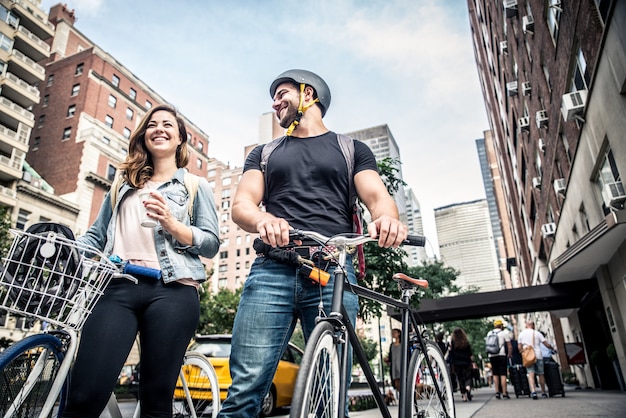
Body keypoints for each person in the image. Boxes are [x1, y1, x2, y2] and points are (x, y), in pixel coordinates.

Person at [219, 69, 408, 417]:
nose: (275, 102)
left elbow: (377, 196)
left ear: (309, 93)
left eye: (282, 92)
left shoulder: (351, 149)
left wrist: (387, 218)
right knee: (245, 389)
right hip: (271, 271)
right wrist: (263, 220)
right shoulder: (265, 152)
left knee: (329, 393)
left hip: (332, 271)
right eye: (273, 97)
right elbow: (242, 204)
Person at [60, 104, 220, 417]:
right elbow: (95, 236)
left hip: (172, 291)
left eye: (167, 125)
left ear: (179, 139)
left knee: (155, 401)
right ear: (144, 136)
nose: (159, 128)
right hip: (117, 286)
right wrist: (69, 251)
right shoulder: (123, 183)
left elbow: (211, 244)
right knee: (83, 396)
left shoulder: (195, 186)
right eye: (152, 124)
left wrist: (173, 226)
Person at [518, 320, 556, 400]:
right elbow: (546, 344)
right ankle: (543, 392)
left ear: (526, 325)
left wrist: (522, 352)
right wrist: (552, 348)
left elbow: (519, 347)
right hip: (538, 355)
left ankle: (533, 391)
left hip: (528, 357)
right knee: (541, 374)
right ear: (533, 325)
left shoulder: (521, 334)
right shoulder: (537, 333)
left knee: (530, 374)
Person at [487, 319, 513, 399]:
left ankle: (497, 392)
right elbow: (509, 345)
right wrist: (509, 354)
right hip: (501, 355)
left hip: (492, 355)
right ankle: (504, 392)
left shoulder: (489, 333)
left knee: (495, 374)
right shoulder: (503, 333)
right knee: (503, 374)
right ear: (501, 325)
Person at [449, 328, 474, 402]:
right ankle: (468, 387)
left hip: (457, 363)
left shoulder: (453, 342)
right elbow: (470, 353)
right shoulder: (465, 342)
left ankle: (464, 396)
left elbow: (452, 353)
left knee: (460, 379)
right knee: (468, 376)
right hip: (466, 362)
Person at [386, 328, 403, 396]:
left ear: (399, 334)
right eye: (392, 333)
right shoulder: (392, 345)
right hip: (394, 367)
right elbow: (390, 356)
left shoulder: (402, 344)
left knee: (402, 382)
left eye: (394, 332)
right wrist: (387, 359)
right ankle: (401, 396)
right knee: (396, 384)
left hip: (401, 365)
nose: (393, 334)